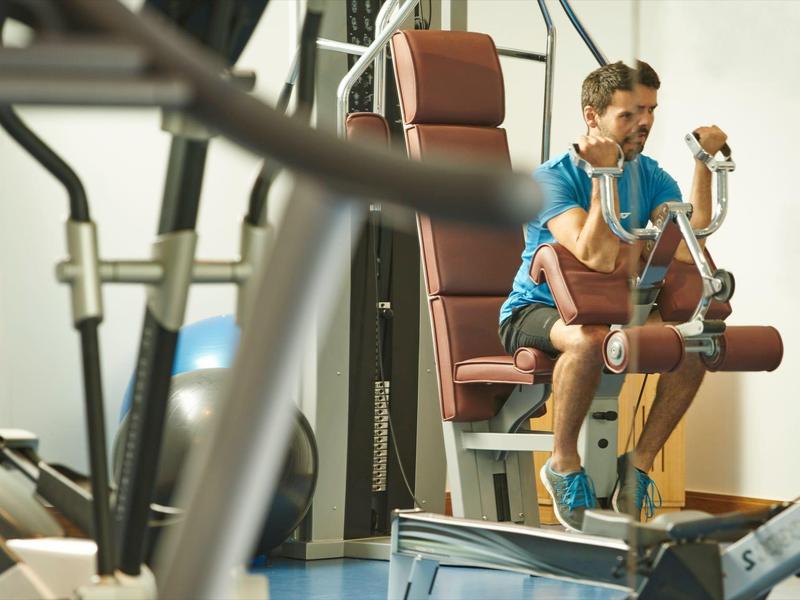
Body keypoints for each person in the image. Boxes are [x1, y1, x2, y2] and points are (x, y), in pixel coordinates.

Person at [498, 60, 728, 532]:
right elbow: (596, 256)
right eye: (629, 114)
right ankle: (562, 464)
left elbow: (690, 247)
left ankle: (637, 467)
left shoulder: (652, 174)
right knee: (587, 340)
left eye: (650, 110)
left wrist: (703, 166)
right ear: (592, 117)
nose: (644, 122)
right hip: (535, 311)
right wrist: (606, 179)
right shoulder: (553, 178)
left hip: (616, 313)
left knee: (692, 347)